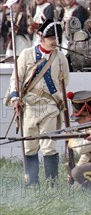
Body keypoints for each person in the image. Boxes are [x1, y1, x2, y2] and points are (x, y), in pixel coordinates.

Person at [8, 19, 69, 187]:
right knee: (29, 147)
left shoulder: (61, 58)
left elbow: (65, 82)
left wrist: (59, 100)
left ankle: (52, 184)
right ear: (42, 38)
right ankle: (32, 183)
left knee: (49, 147)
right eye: (51, 38)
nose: (54, 42)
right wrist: (15, 98)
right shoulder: (27, 54)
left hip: (50, 107)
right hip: (29, 106)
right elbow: (16, 78)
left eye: (56, 38)